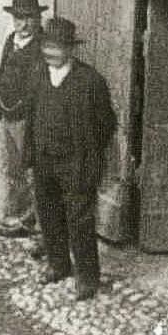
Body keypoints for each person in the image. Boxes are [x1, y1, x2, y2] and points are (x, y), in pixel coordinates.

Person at [27, 16, 118, 302]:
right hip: (45, 161)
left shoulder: (90, 81)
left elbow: (106, 124)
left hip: (76, 164)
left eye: (56, 48)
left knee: (79, 221)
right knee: (50, 214)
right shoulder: (39, 75)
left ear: (70, 50)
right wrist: (33, 154)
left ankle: (87, 278)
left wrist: (88, 154)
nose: (49, 53)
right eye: (46, 47)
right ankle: (58, 264)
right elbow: (32, 116)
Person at [0, 0, 46, 241]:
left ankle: (34, 220)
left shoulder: (41, 48)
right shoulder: (10, 41)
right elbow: (2, 72)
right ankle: (20, 215)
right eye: (18, 18)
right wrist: (1, 107)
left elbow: (39, 88)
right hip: (7, 115)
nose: (22, 24)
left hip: (27, 119)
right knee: (13, 168)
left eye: (28, 18)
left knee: (31, 169)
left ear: (38, 19)